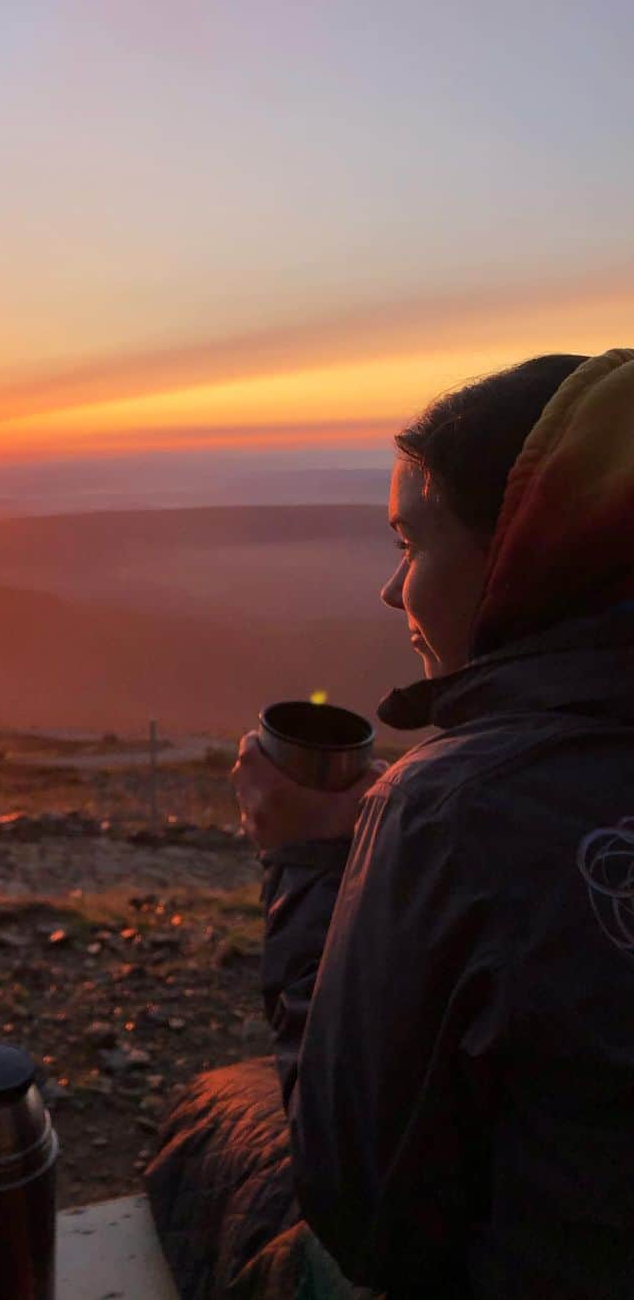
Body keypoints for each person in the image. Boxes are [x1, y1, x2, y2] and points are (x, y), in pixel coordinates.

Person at [145, 348, 634, 1299]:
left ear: (531, 551)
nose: (389, 589)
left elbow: (362, 1214)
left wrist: (310, 861)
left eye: (410, 543)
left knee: (212, 1112)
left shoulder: (452, 807)